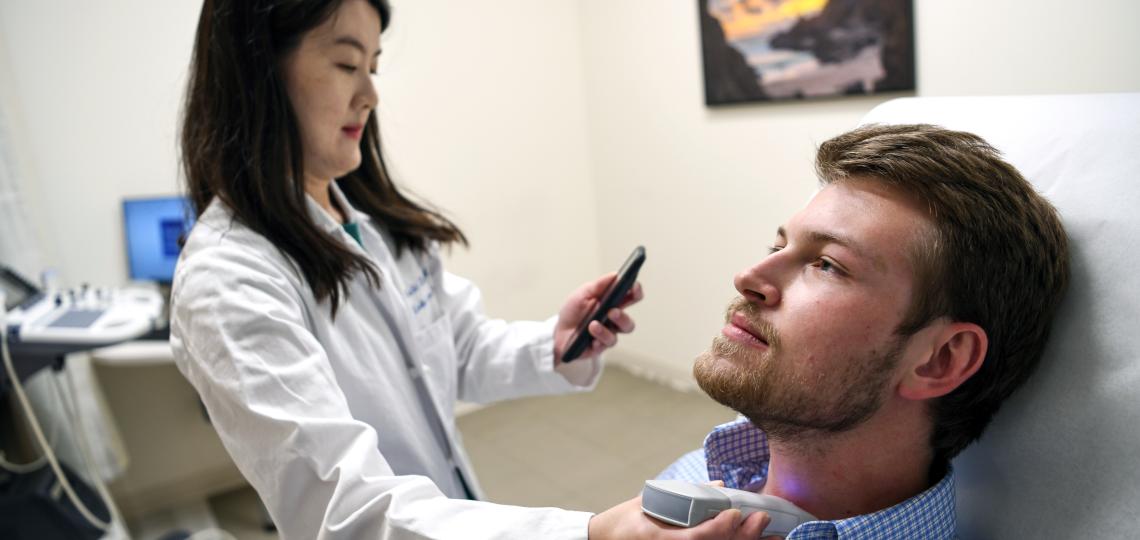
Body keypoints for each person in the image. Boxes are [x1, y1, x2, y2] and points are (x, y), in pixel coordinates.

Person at [171, 1, 681, 538]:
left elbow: (455, 350)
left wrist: (553, 345)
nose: (370, 95)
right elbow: (345, 509)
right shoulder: (227, 279)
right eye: (347, 64)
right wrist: (590, 533)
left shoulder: (376, 224)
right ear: (258, 72)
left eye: (372, 67)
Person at [589, 124, 1070, 539]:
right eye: (777, 246)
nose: (748, 278)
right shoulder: (701, 474)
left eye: (827, 264)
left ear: (940, 359)